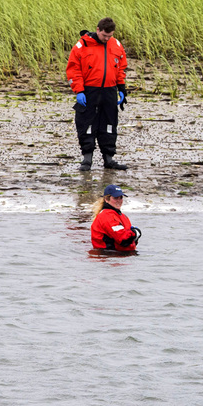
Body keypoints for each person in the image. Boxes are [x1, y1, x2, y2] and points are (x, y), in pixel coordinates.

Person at [66, 17, 129, 172]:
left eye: (110, 36)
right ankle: (87, 160)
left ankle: (109, 159)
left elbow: (120, 67)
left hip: (109, 91)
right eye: (104, 36)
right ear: (98, 30)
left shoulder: (116, 45)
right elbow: (73, 69)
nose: (106, 39)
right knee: (86, 124)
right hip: (89, 91)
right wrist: (79, 90)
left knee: (109, 124)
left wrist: (121, 88)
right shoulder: (82, 46)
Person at [90, 184, 139, 251]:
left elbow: (128, 240)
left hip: (120, 255)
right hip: (108, 256)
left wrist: (133, 235)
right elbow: (123, 240)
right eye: (115, 198)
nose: (119, 200)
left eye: (121, 197)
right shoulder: (107, 216)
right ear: (107, 199)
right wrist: (134, 233)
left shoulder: (122, 216)